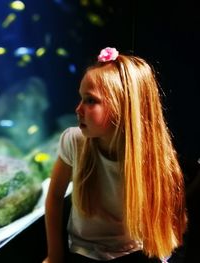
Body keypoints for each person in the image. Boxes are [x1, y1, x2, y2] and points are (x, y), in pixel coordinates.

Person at [43, 47, 187, 263]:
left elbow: (169, 216)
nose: (78, 109)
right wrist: (54, 255)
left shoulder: (153, 158)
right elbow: (54, 197)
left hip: (134, 252)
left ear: (124, 107)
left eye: (90, 100)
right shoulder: (74, 141)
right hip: (83, 252)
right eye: (81, 98)